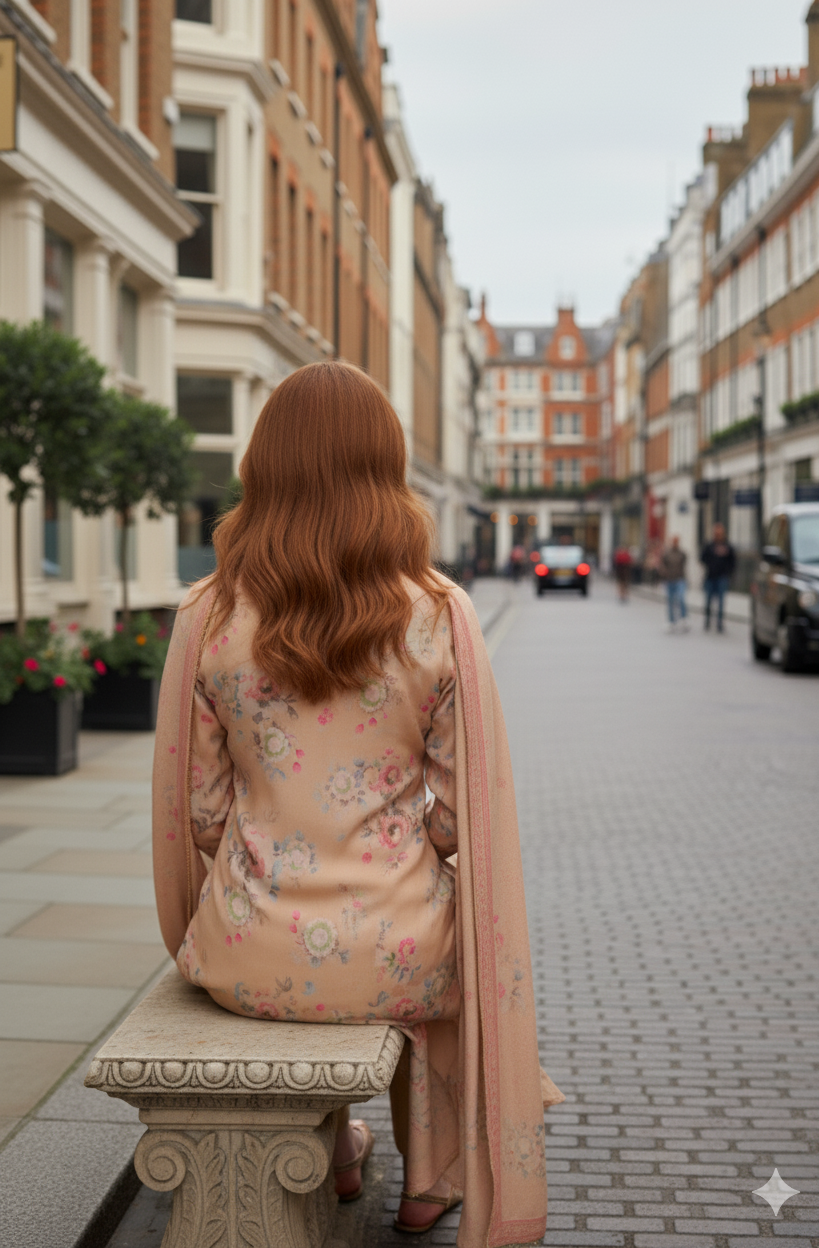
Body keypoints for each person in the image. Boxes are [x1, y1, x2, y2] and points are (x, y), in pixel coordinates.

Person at [152, 361, 562, 1244]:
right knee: (446, 970)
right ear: (387, 469)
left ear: (264, 467)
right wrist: (406, 857)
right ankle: (429, 1181)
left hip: (248, 951)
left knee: (374, 954)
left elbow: (200, 810)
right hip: (395, 945)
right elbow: (459, 821)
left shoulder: (207, 614)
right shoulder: (437, 614)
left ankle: (339, 1154)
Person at [700, 521, 736, 632]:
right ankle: (707, 621)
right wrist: (710, 563)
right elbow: (702, 558)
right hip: (710, 577)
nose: (717, 535)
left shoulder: (728, 546)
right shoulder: (709, 546)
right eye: (716, 532)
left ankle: (719, 624)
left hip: (722, 578)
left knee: (721, 602)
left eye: (719, 533)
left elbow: (733, 561)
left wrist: (728, 572)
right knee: (708, 602)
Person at [660, 536, 688, 631]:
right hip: (669, 580)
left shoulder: (682, 553)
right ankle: (671, 621)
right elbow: (662, 565)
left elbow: (684, 563)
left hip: (680, 579)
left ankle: (684, 618)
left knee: (681, 598)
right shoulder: (667, 554)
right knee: (670, 601)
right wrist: (664, 573)